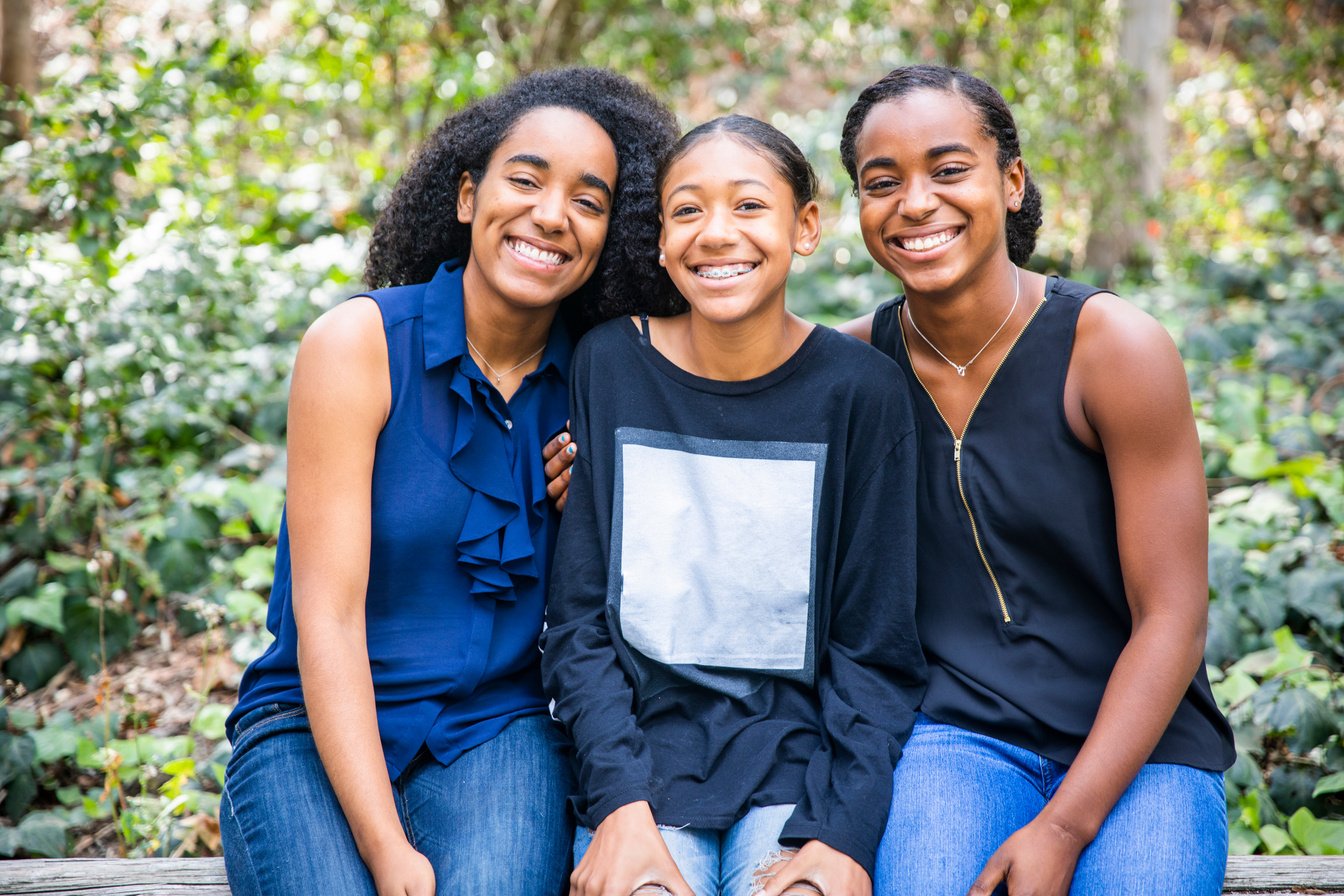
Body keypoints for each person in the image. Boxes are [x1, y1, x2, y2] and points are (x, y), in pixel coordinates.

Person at [219, 67, 678, 896]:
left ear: (612, 234)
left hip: (494, 732)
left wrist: (594, 515)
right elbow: (326, 618)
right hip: (309, 727)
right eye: (526, 179)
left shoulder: (604, 381)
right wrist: (386, 848)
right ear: (467, 197)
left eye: (589, 199)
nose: (550, 215)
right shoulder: (357, 347)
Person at [835, 65, 1235, 895]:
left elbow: (1174, 618)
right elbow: (707, 402)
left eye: (949, 170)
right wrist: (584, 455)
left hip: (1145, 746)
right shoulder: (852, 368)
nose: (915, 202)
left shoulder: (1111, 347)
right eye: (883, 183)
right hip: (957, 739)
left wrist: (1062, 826)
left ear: (1009, 182)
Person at [540, 115, 926, 896]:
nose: (717, 233)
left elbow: (874, 652)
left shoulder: (860, 392)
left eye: (749, 206)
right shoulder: (611, 363)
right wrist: (619, 805)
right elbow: (578, 625)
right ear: (657, 238)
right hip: (640, 767)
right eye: (687, 210)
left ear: (806, 226)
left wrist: (842, 834)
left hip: (798, 771)